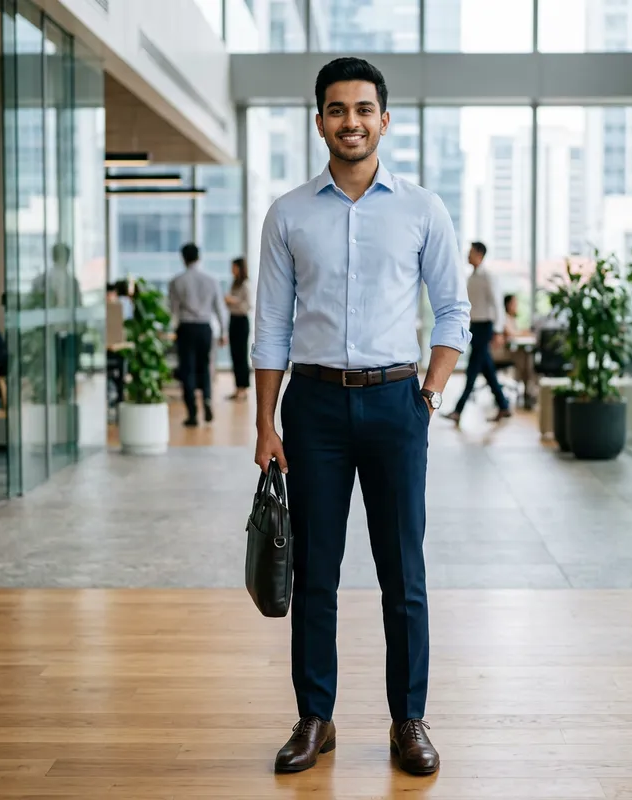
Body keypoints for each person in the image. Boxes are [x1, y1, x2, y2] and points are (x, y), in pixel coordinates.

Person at [252, 57, 470, 776]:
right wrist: (265, 424)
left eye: (363, 109)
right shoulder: (288, 213)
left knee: (402, 572)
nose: (352, 121)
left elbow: (453, 310)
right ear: (319, 121)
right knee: (315, 571)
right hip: (312, 406)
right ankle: (315, 717)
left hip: (395, 402)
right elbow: (271, 325)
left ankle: (409, 719)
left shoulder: (422, 209)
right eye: (338, 109)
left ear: (384, 119)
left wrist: (428, 395)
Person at [443, 241, 511, 425]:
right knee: (487, 370)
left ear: (479, 254)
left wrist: (498, 331)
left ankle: (458, 410)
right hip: (475, 326)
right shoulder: (471, 277)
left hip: (485, 326)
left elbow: (497, 304)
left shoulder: (488, 277)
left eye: (471, 252)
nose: (468, 255)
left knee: (472, 369)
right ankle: (504, 406)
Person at [168, 243, 226, 427]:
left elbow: (173, 310)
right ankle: (207, 398)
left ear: (183, 258)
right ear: (199, 257)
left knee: (187, 370)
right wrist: (223, 331)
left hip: (186, 328)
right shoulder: (211, 280)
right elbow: (220, 308)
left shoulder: (177, 281)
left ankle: (192, 413)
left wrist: (171, 330)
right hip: (204, 328)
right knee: (205, 366)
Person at [224, 256, 251, 401]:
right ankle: (237, 387)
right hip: (233, 320)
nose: (232, 270)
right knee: (234, 355)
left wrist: (233, 301)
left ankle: (243, 389)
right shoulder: (234, 284)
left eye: (234, 267)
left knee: (241, 355)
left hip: (241, 321)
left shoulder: (245, 285)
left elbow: (247, 306)